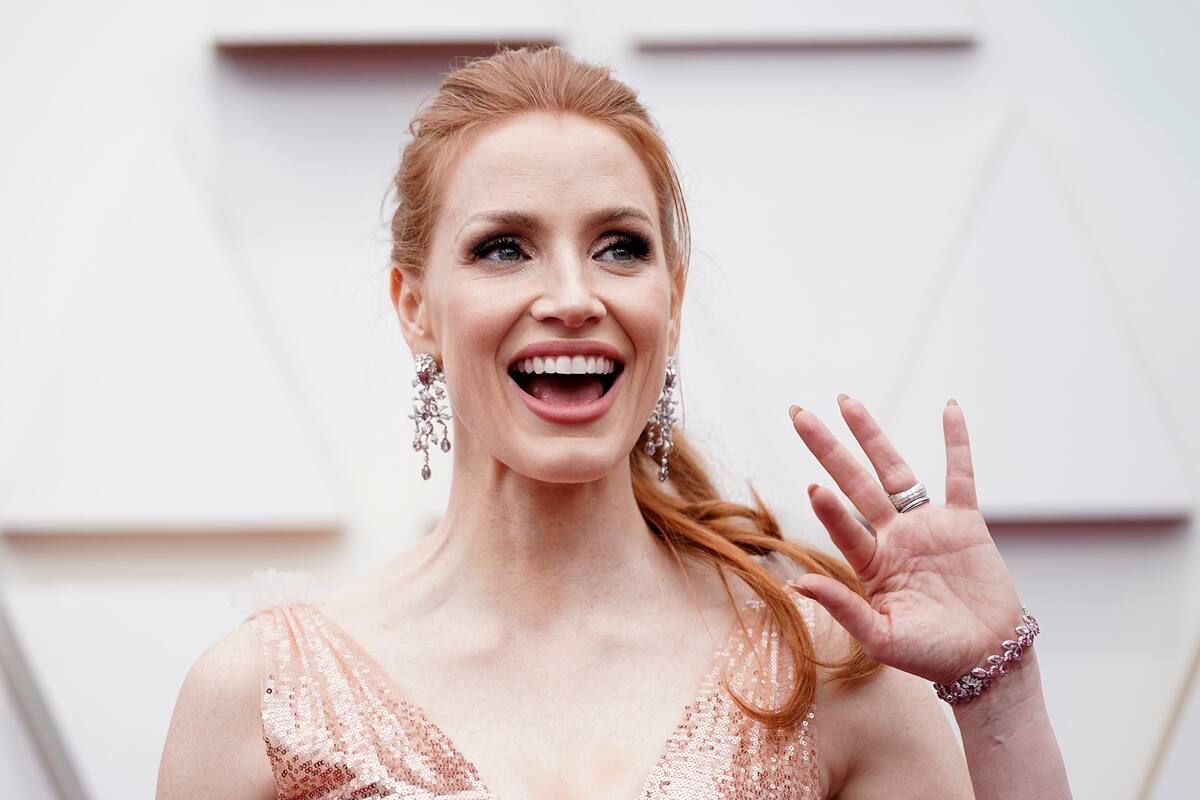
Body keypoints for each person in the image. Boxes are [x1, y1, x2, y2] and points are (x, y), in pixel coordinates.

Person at [156, 45, 1072, 799]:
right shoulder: (260, 698)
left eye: (619, 248)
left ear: (669, 302)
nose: (571, 296)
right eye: (504, 248)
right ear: (414, 307)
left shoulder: (828, 668)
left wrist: (1000, 693)